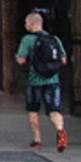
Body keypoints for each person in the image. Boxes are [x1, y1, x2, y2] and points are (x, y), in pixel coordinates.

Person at [16, 12, 68, 152]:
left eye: (26, 23)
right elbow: (63, 60)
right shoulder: (54, 39)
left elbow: (20, 59)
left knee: (33, 110)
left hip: (34, 81)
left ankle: (37, 139)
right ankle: (60, 130)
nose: (25, 25)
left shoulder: (27, 40)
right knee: (54, 109)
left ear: (32, 23)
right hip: (53, 80)